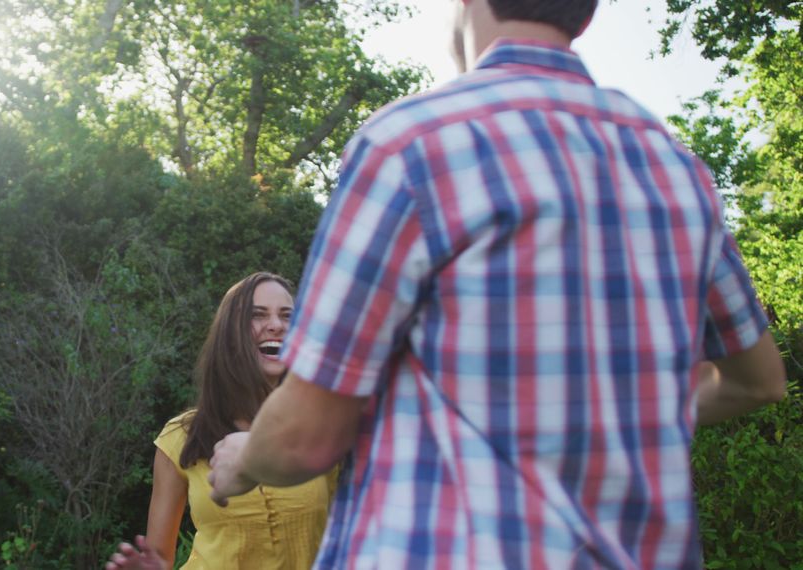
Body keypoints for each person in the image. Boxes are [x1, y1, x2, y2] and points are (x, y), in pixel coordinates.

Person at [208, 1, 787, 568]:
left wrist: (242, 461)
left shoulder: (412, 143)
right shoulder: (675, 168)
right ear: (584, 15)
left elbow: (303, 437)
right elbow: (759, 381)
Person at [106, 272, 336, 570]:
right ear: (230, 333)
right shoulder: (180, 437)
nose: (277, 325)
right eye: (258, 315)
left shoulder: (324, 427)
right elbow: (160, 557)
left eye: (287, 316)